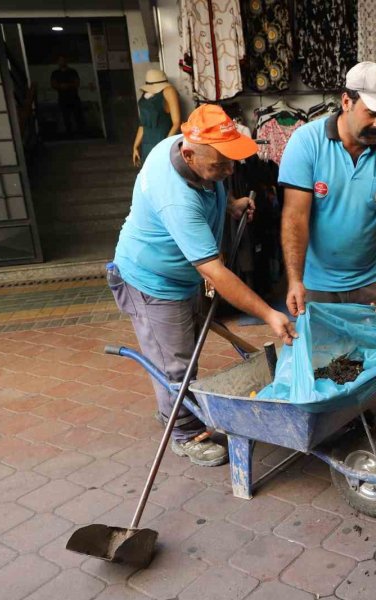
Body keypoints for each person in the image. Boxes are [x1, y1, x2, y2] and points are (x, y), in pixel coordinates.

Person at [110, 104, 297, 467]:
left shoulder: (197, 151)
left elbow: (211, 183)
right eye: (220, 167)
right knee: (175, 362)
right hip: (151, 283)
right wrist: (269, 315)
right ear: (189, 154)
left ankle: (172, 407)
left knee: (185, 346)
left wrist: (229, 204)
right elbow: (215, 271)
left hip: (181, 277)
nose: (228, 172)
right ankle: (182, 431)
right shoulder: (175, 197)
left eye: (231, 164)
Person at [277, 61, 376, 462]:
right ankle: (345, 428)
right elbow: (295, 217)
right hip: (318, 279)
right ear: (346, 101)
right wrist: (295, 280)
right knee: (329, 360)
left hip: (370, 276)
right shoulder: (306, 143)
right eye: (372, 112)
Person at [133, 69, 182, 167]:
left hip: (162, 139)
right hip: (147, 144)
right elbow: (143, 124)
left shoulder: (169, 91)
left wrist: (165, 145)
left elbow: (177, 122)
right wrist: (135, 146)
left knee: (163, 171)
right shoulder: (145, 95)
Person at [50, 55, 84, 137]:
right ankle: (69, 133)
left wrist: (68, 85)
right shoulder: (55, 73)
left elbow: (77, 83)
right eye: (60, 60)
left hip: (73, 97)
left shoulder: (72, 72)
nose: (62, 62)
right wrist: (61, 86)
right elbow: (53, 84)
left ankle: (81, 132)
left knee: (77, 115)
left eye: (63, 60)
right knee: (66, 117)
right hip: (63, 98)